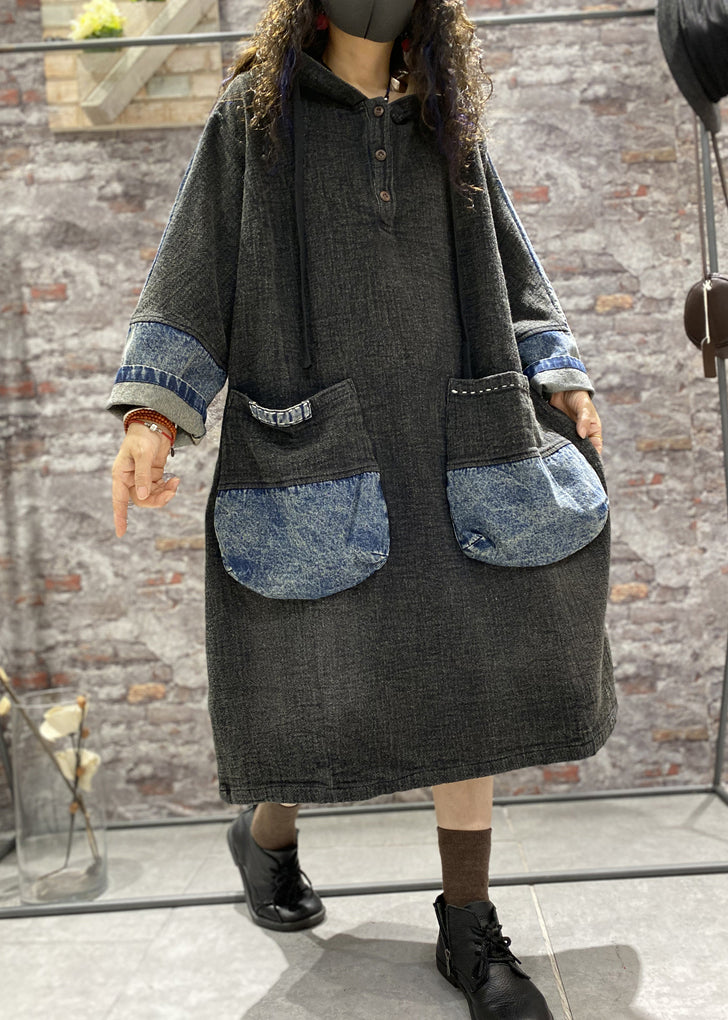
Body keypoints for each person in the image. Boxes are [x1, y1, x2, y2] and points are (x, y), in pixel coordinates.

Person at [107, 2, 617, 1016]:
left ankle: (467, 924)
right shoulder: (254, 119)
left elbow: (511, 265)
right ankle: (267, 837)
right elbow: (193, 270)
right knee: (311, 677)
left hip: (454, 429)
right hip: (317, 436)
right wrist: (152, 416)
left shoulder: (445, 117)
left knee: (468, 670)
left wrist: (558, 373)